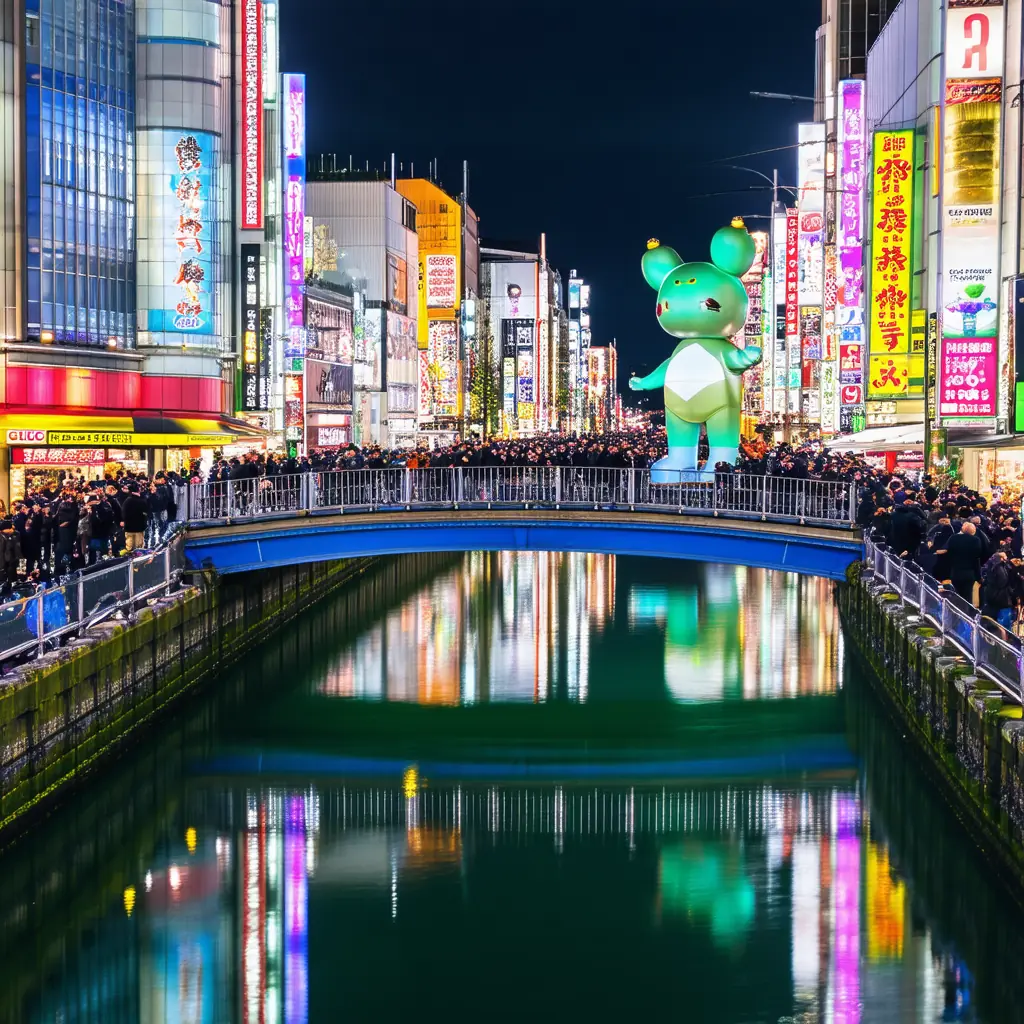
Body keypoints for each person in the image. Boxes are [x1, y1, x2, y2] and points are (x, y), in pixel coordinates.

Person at [947, 521, 984, 604]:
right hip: (969, 574)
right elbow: (976, 559)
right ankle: (966, 614)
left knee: (956, 596)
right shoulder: (975, 540)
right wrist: (979, 577)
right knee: (967, 597)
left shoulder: (953, 538)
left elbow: (949, 555)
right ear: (973, 531)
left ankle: (956, 614)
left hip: (955, 572)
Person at [121, 484, 150, 552]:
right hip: (139, 528)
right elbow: (145, 513)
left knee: (129, 547)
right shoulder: (142, 501)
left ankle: (128, 560)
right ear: (138, 491)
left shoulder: (126, 501)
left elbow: (123, 513)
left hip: (129, 528)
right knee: (138, 548)